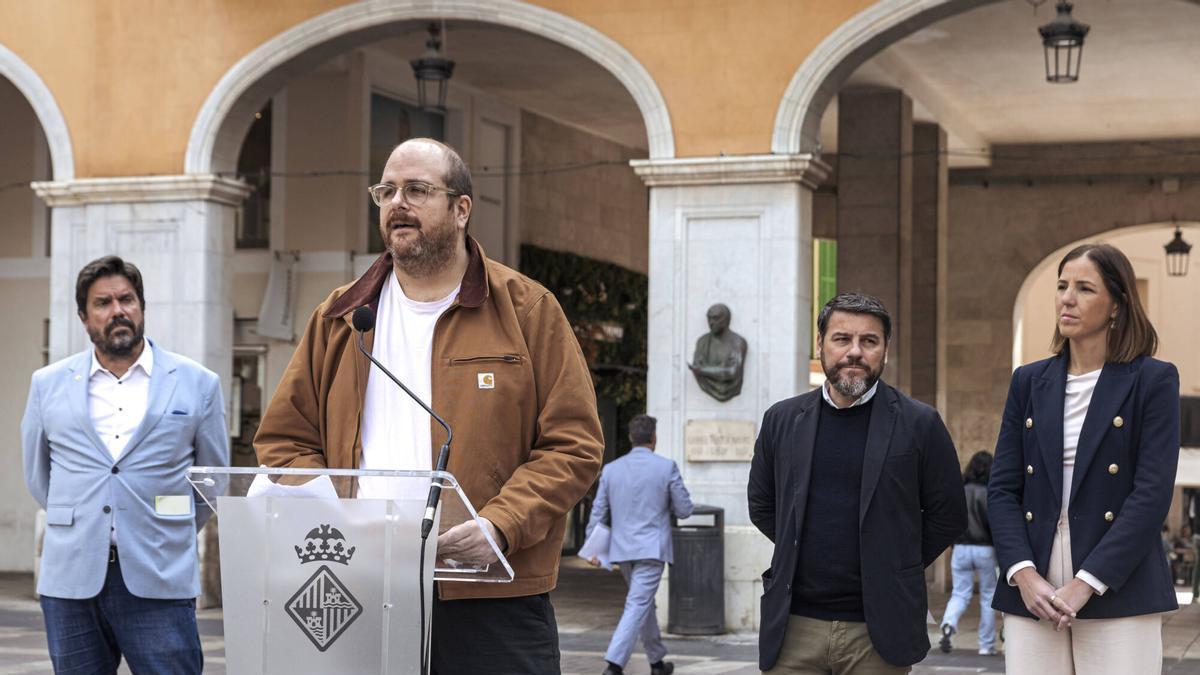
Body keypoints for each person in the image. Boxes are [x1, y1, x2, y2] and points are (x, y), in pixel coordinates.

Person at [254, 138, 604, 674]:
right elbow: (283, 441)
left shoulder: (527, 309)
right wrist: (335, 517)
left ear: (461, 209)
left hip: (491, 596)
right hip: (361, 582)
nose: (398, 203)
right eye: (386, 191)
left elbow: (573, 445)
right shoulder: (343, 316)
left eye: (417, 190)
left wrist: (500, 525)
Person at [21, 255, 229, 674]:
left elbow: (212, 480)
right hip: (71, 579)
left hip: (158, 573)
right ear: (84, 318)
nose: (117, 310)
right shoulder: (48, 384)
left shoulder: (197, 383)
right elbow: (38, 474)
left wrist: (163, 527)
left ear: (142, 307)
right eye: (103, 303)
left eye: (127, 299)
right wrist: (79, 516)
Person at [748, 292, 966, 674]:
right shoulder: (782, 420)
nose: (855, 352)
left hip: (878, 632)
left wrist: (896, 562)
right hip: (794, 628)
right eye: (841, 339)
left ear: (885, 349)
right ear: (820, 344)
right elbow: (762, 505)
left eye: (869, 341)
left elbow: (948, 515)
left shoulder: (920, 424)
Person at [989, 243, 1179, 674]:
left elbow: (1150, 495)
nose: (1067, 298)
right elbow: (1002, 488)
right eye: (1061, 286)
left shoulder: (1153, 380)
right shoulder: (1028, 381)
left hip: (1117, 582)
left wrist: (1085, 583)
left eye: (1084, 288)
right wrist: (1023, 573)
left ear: (1117, 304)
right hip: (1033, 586)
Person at [585, 414, 693, 675]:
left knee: (643, 603)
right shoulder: (666, 467)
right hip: (652, 549)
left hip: (622, 551)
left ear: (631, 439)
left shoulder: (611, 470)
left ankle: (656, 661)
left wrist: (592, 548)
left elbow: (598, 511)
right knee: (637, 604)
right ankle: (613, 665)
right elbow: (684, 509)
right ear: (653, 439)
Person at [938, 451, 999, 656]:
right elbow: (994, 525)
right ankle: (986, 645)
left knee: (959, 593)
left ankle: (948, 625)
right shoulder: (990, 493)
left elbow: (949, 520)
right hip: (985, 549)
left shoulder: (960, 491)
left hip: (961, 548)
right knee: (988, 596)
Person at [687, 302, 748, 401]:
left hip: (731, 389)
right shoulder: (702, 342)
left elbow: (732, 372)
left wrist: (702, 370)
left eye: (715, 318)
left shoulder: (738, 342)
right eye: (709, 318)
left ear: (726, 320)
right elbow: (697, 367)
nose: (711, 322)